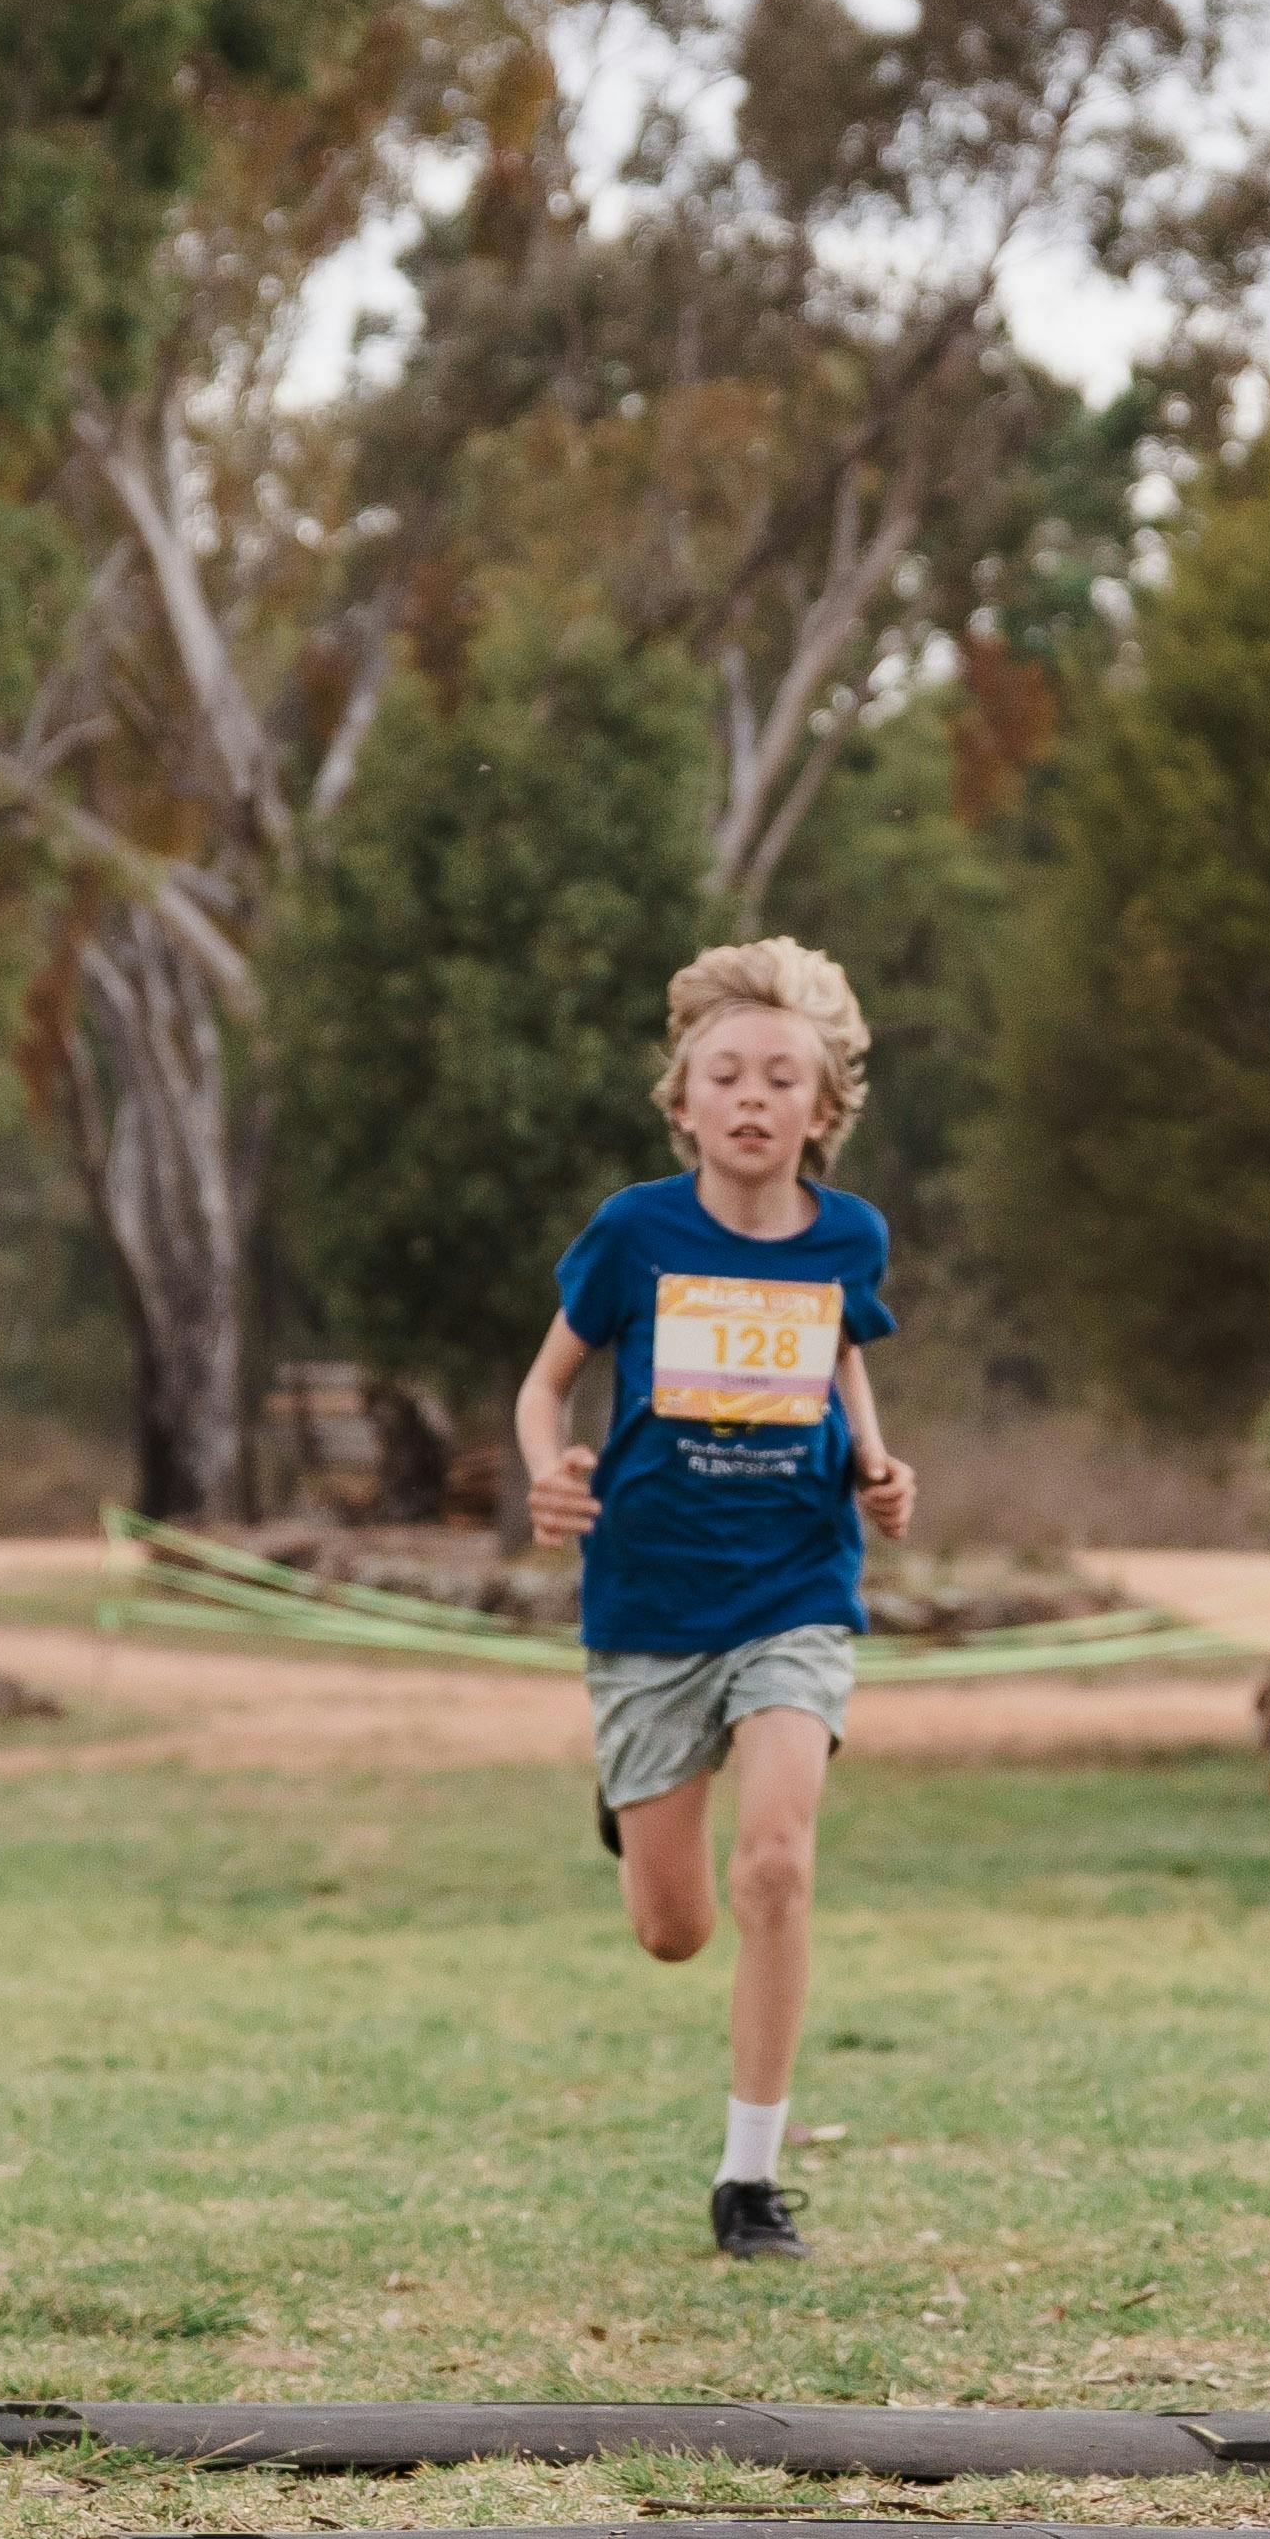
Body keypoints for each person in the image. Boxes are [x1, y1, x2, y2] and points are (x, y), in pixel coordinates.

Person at [516, 936, 918, 2262]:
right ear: (684, 1103)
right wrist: (548, 1478)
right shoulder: (637, 1231)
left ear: (822, 1109)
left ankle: (751, 2180)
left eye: (781, 1079)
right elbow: (545, 1384)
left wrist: (874, 1461)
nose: (753, 1098)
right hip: (646, 1596)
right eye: (726, 1076)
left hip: (797, 1586)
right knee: (675, 1928)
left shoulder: (849, 1234)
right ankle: (635, 1825)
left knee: (779, 1862)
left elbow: (846, 1354)